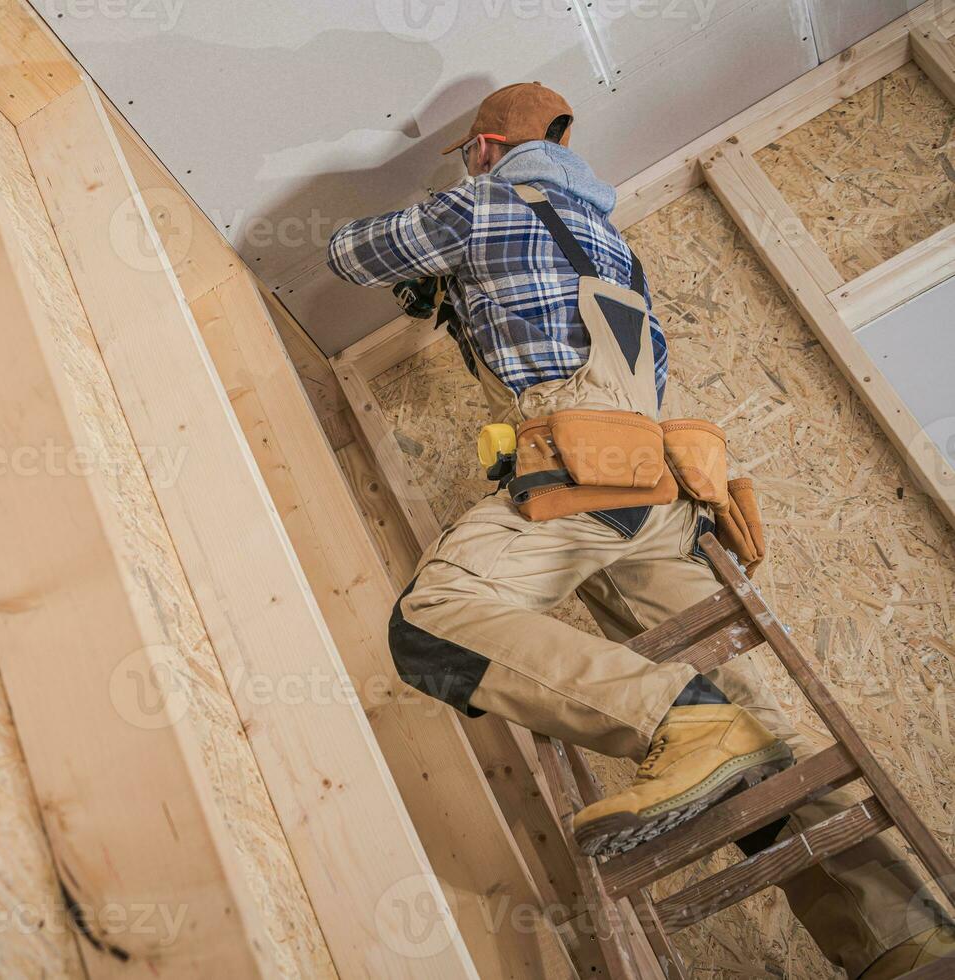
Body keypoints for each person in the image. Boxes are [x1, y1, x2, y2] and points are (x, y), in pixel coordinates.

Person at [327, 81, 954, 978]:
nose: (467, 165)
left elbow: (348, 253)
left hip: (578, 464)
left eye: (469, 152)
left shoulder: (485, 200)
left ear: (490, 148)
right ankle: (907, 940)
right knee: (763, 729)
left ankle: (677, 720)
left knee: (431, 620)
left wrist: (434, 234)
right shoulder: (612, 247)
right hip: (657, 494)